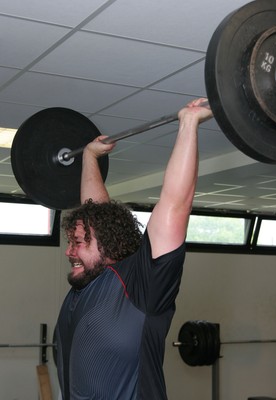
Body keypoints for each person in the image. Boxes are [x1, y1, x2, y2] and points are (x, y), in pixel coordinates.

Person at [54, 98, 213, 400]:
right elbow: (97, 214)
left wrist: (189, 123)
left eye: (77, 243)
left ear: (108, 244)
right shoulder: (87, 287)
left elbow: (175, 205)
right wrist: (90, 156)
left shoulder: (142, 288)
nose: (69, 252)